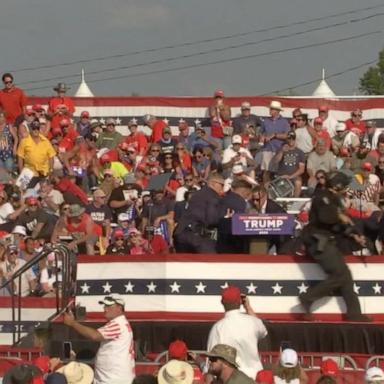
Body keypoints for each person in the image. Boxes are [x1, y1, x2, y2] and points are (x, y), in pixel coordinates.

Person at [299, 172, 370, 321]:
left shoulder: (335, 200)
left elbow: (339, 225)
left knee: (346, 276)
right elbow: (326, 218)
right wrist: (340, 216)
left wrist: (354, 234)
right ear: (338, 186)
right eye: (344, 186)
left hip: (328, 240)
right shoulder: (322, 197)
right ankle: (308, 297)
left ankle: (354, 314)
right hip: (317, 241)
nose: (346, 189)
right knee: (339, 274)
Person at [63, 293, 135, 384]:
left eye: (109, 305)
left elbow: (95, 335)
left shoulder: (118, 324)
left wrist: (73, 323)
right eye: (104, 305)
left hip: (114, 380)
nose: (105, 308)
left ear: (119, 307)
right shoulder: (120, 323)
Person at [207, 286, 267, 378]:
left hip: (231, 379)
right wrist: (248, 307)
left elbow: (211, 362)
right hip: (255, 378)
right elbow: (263, 331)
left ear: (222, 302)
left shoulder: (218, 328)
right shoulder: (253, 322)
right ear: (240, 301)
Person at [173, 173, 225, 253]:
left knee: (185, 264)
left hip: (180, 234)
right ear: (213, 183)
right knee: (211, 262)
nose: (223, 187)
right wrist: (224, 217)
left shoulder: (197, 194)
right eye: (221, 184)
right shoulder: (213, 196)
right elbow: (211, 220)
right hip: (196, 236)